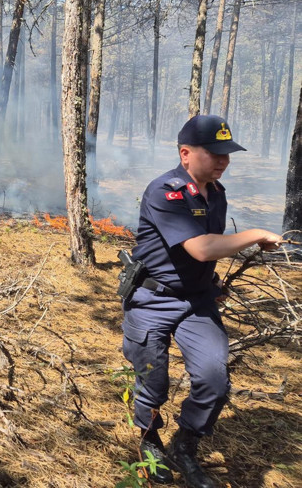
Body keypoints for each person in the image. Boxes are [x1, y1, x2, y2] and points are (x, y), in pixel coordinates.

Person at [120, 115, 284, 488]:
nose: (224, 161)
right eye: (215, 153)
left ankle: (185, 445)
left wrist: (211, 283)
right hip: (152, 300)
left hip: (197, 301)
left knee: (213, 378)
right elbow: (201, 247)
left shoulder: (216, 192)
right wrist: (255, 234)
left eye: (228, 153)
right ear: (186, 153)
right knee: (152, 383)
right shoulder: (165, 192)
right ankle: (150, 444)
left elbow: (206, 253)